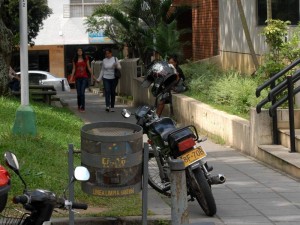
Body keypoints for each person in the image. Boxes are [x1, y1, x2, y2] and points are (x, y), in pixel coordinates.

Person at [70, 48, 94, 112]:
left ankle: (83, 107)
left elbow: (89, 68)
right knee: (79, 94)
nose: (79, 52)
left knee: (82, 93)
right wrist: (71, 78)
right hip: (77, 78)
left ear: (82, 51)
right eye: (78, 50)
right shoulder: (74, 59)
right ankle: (79, 105)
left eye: (80, 50)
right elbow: (74, 69)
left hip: (84, 77)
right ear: (77, 52)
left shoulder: (86, 58)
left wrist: (93, 76)